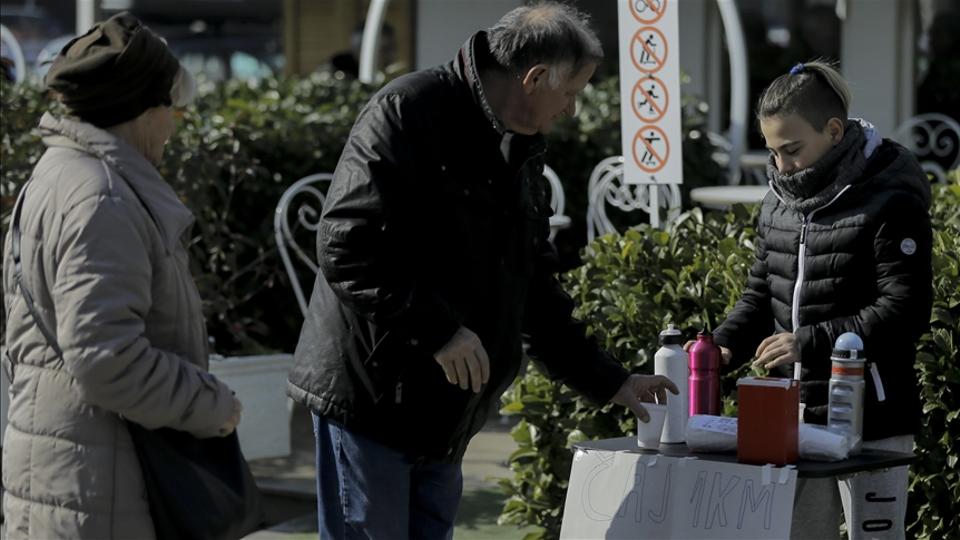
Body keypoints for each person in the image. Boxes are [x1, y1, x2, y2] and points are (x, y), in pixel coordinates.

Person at [288, 3, 678, 538]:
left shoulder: (522, 145)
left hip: (445, 413)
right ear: (535, 78)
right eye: (571, 92)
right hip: (371, 399)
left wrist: (612, 381)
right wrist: (440, 331)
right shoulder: (409, 108)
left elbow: (532, 289)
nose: (571, 109)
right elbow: (346, 245)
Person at [1, 13, 242, 539]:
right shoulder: (101, 195)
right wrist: (212, 405)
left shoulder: (58, 172)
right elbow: (106, 358)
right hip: (100, 487)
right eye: (171, 110)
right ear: (140, 110)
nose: (175, 126)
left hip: (72, 470)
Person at [708, 61, 932, 539]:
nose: (781, 166)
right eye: (771, 151)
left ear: (833, 131)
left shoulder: (891, 197)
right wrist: (722, 346)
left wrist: (808, 342)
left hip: (876, 415)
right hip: (793, 419)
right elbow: (760, 292)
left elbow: (906, 307)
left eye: (792, 150)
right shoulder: (777, 200)